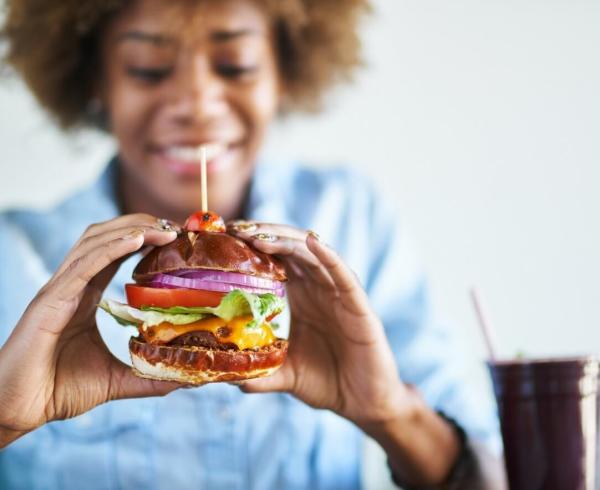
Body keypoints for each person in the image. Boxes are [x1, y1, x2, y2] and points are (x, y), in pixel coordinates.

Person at [0, 0, 505, 488]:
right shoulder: (13, 254)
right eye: (149, 68)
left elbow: (498, 478)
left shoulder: (348, 217)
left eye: (235, 65)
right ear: (96, 83)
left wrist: (391, 412)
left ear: (283, 75)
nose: (197, 104)